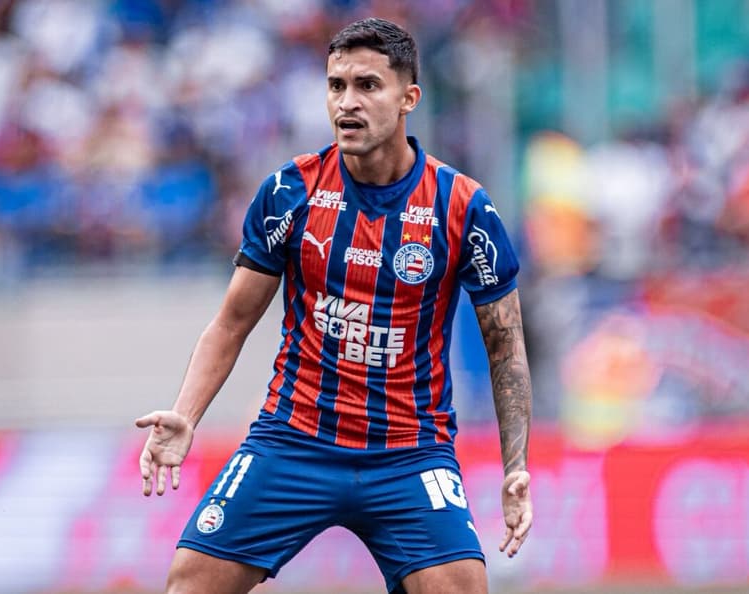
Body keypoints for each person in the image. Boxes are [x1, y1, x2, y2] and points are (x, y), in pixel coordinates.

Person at [136, 17, 533, 594]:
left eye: (368, 85)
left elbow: (506, 350)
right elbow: (230, 324)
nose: (347, 102)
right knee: (188, 586)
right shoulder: (289, 192)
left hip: (410, 451)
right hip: (294, 440)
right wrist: (186, 415)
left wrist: (515, 465)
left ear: (408, 99)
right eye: (335, 85)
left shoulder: (463, 207)